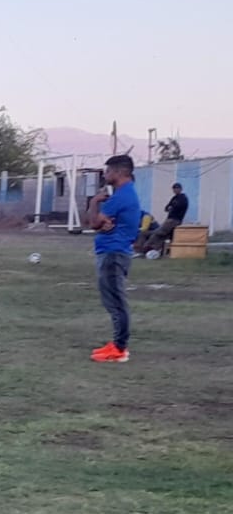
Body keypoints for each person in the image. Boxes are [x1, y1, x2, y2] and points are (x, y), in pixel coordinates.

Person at [85, 155, 142, 363]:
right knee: (112, 300)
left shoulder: (121, 196)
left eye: (108, 171)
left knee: (116, 301)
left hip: (113, 252)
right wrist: (101, 222)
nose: (106, 175)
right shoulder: (124, 194)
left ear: (119, 172)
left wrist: (94, 202)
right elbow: (99, 224)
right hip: (114, 251)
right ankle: (117, 344)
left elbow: (93, 223)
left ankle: (120, 349)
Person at [137, 182, 188, 255]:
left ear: (180, 189)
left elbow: (178, 206)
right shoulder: (174, 198)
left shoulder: (183, 198)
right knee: (147, 234)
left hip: (174, 220)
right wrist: (170, 207)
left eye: (177, 188)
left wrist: (172, 207)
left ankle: (146, 249)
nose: (175, 190)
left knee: (158, 233)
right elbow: (167, 208)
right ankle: (141, 250)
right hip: (168, 220)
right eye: (174, 189)